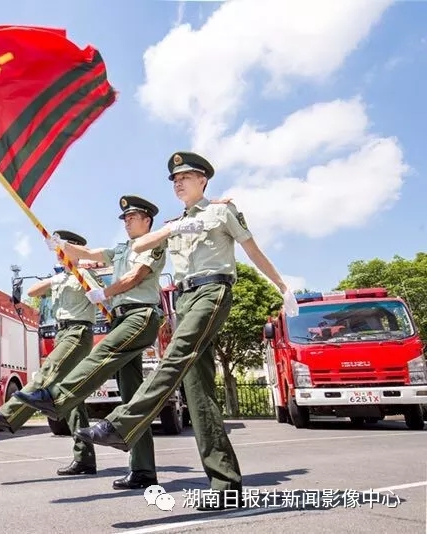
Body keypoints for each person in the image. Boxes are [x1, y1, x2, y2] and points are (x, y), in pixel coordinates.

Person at [71, 151, 299, 511]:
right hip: (184, 299)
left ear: (203, 180)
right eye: (175, 179)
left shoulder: (222, 211)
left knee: (176, 354)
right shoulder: (177, 221)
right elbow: (140, 244)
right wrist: (174, 227)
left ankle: (121, 424)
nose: (178, 182)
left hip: (212, 290)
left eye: (186, 177)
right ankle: (226, 484)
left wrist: (281, 286)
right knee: (198, 393)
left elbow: (252, 249)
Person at [15, 195, 201, 490]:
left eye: (132, 217)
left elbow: (135, 277)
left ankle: (57, 398)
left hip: (139, 315)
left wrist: (106, 293)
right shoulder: (121, 249)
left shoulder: (152, 243)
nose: (126, 222)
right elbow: (91, 252)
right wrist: (62, 246)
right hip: (122, 317)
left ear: (147, 220)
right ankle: (142, 470)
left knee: (102, 353)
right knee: (131, 397)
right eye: (124, 219)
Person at [0, 230, 100, 476]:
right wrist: (59, 277)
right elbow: (32, 292)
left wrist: (82, 274)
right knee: (72, 400)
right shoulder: (63, 278)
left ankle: (8, 415)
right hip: (62, 332)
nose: (60, 253)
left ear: (76, 250)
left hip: (78, 331)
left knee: (47, 372)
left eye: (65, 248)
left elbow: (102, 298)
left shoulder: (85, 275)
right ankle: (84, 458)